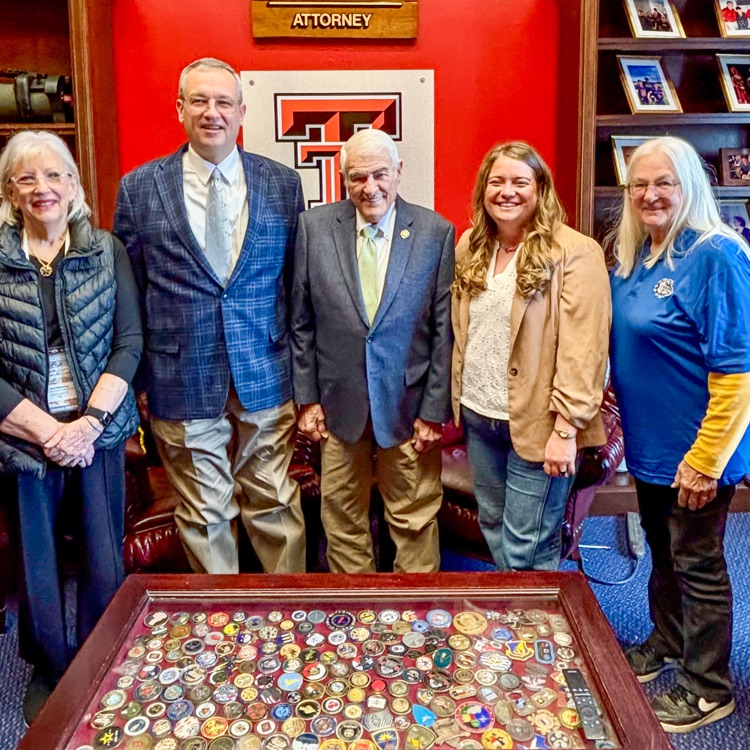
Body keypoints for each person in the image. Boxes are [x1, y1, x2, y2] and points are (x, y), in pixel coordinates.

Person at [114, 58, 306, 575]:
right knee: (204, 513)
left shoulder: (282, 184)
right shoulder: (138, 189)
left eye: (223, 102)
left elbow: (296, 286)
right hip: (180, 374)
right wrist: (136, 384)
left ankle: (289, 619)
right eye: (199, 100)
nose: (212, 112)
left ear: (242, 111)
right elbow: (129, 293)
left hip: (265, 368)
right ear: (179, 108)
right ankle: (222, 630)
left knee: (275, 503)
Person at [609, 136, 750, 733]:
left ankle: (708, 686)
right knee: (663, 554)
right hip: (651, 449)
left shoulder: (716, 254)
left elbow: (739, 372)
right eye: (639, 184)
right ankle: (665, 643)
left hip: (699, 452)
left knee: (699, 564)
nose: (650, 194)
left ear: (690, 183)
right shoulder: (637, 254)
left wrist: (706, 460)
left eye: (663, 182)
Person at [0, 131, 142, 724]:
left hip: (98, 430)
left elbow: (129, 342)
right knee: (37, 567)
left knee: (103, 559)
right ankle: (51, 675)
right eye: (27, 178)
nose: (43, 188)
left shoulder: (106, 250)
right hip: (22, 434)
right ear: (10, 191)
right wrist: (47, 432)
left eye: (54, 175)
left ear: (74, 186)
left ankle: (102, 664)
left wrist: (87, 425)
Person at [291, 128, 454, 573]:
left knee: (414, 518)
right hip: (339, 409)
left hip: (408, 408)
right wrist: (306, 400)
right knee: (342, 520)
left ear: (399, 172)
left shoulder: (435, 233)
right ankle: (355, 621)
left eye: (380, 174)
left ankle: (416, 621)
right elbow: (301, 322)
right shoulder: (315, 228)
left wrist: (433, 410)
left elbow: (444, 332)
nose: (370, 188)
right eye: (357, 178)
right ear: (343, 180)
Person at [451, 141, 610, 571]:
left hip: (539, 421)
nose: (507, 191)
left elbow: (585, 349)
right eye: (496, 181)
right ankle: (536, 614)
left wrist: (566, 429)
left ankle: (520, 627)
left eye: (520, 182)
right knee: (496, 524)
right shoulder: (471, 247)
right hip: (480, 416)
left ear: (541, 190)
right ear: (483, 189)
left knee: (524, 541)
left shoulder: (574, 253)